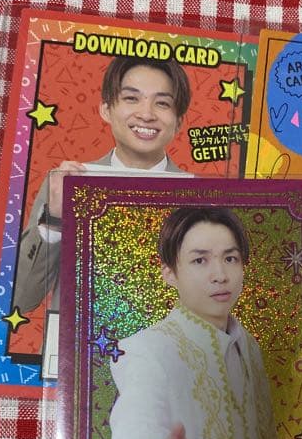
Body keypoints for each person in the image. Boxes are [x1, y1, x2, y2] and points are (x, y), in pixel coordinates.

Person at [108, 207, 288, 439]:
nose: (220, 275)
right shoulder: (147, 349)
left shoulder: (249, 345)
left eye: (230, 258)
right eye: (200, 261)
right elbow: (133, 435)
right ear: (169, 273)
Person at [13, 56, 192, 313]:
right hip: (75, 337)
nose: (146, 114)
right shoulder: (66, 183)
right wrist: (53, 220)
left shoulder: (201, 197)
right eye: (131, 98)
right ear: (106, 109)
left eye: (162, 103)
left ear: (179, 121)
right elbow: (21, 298)